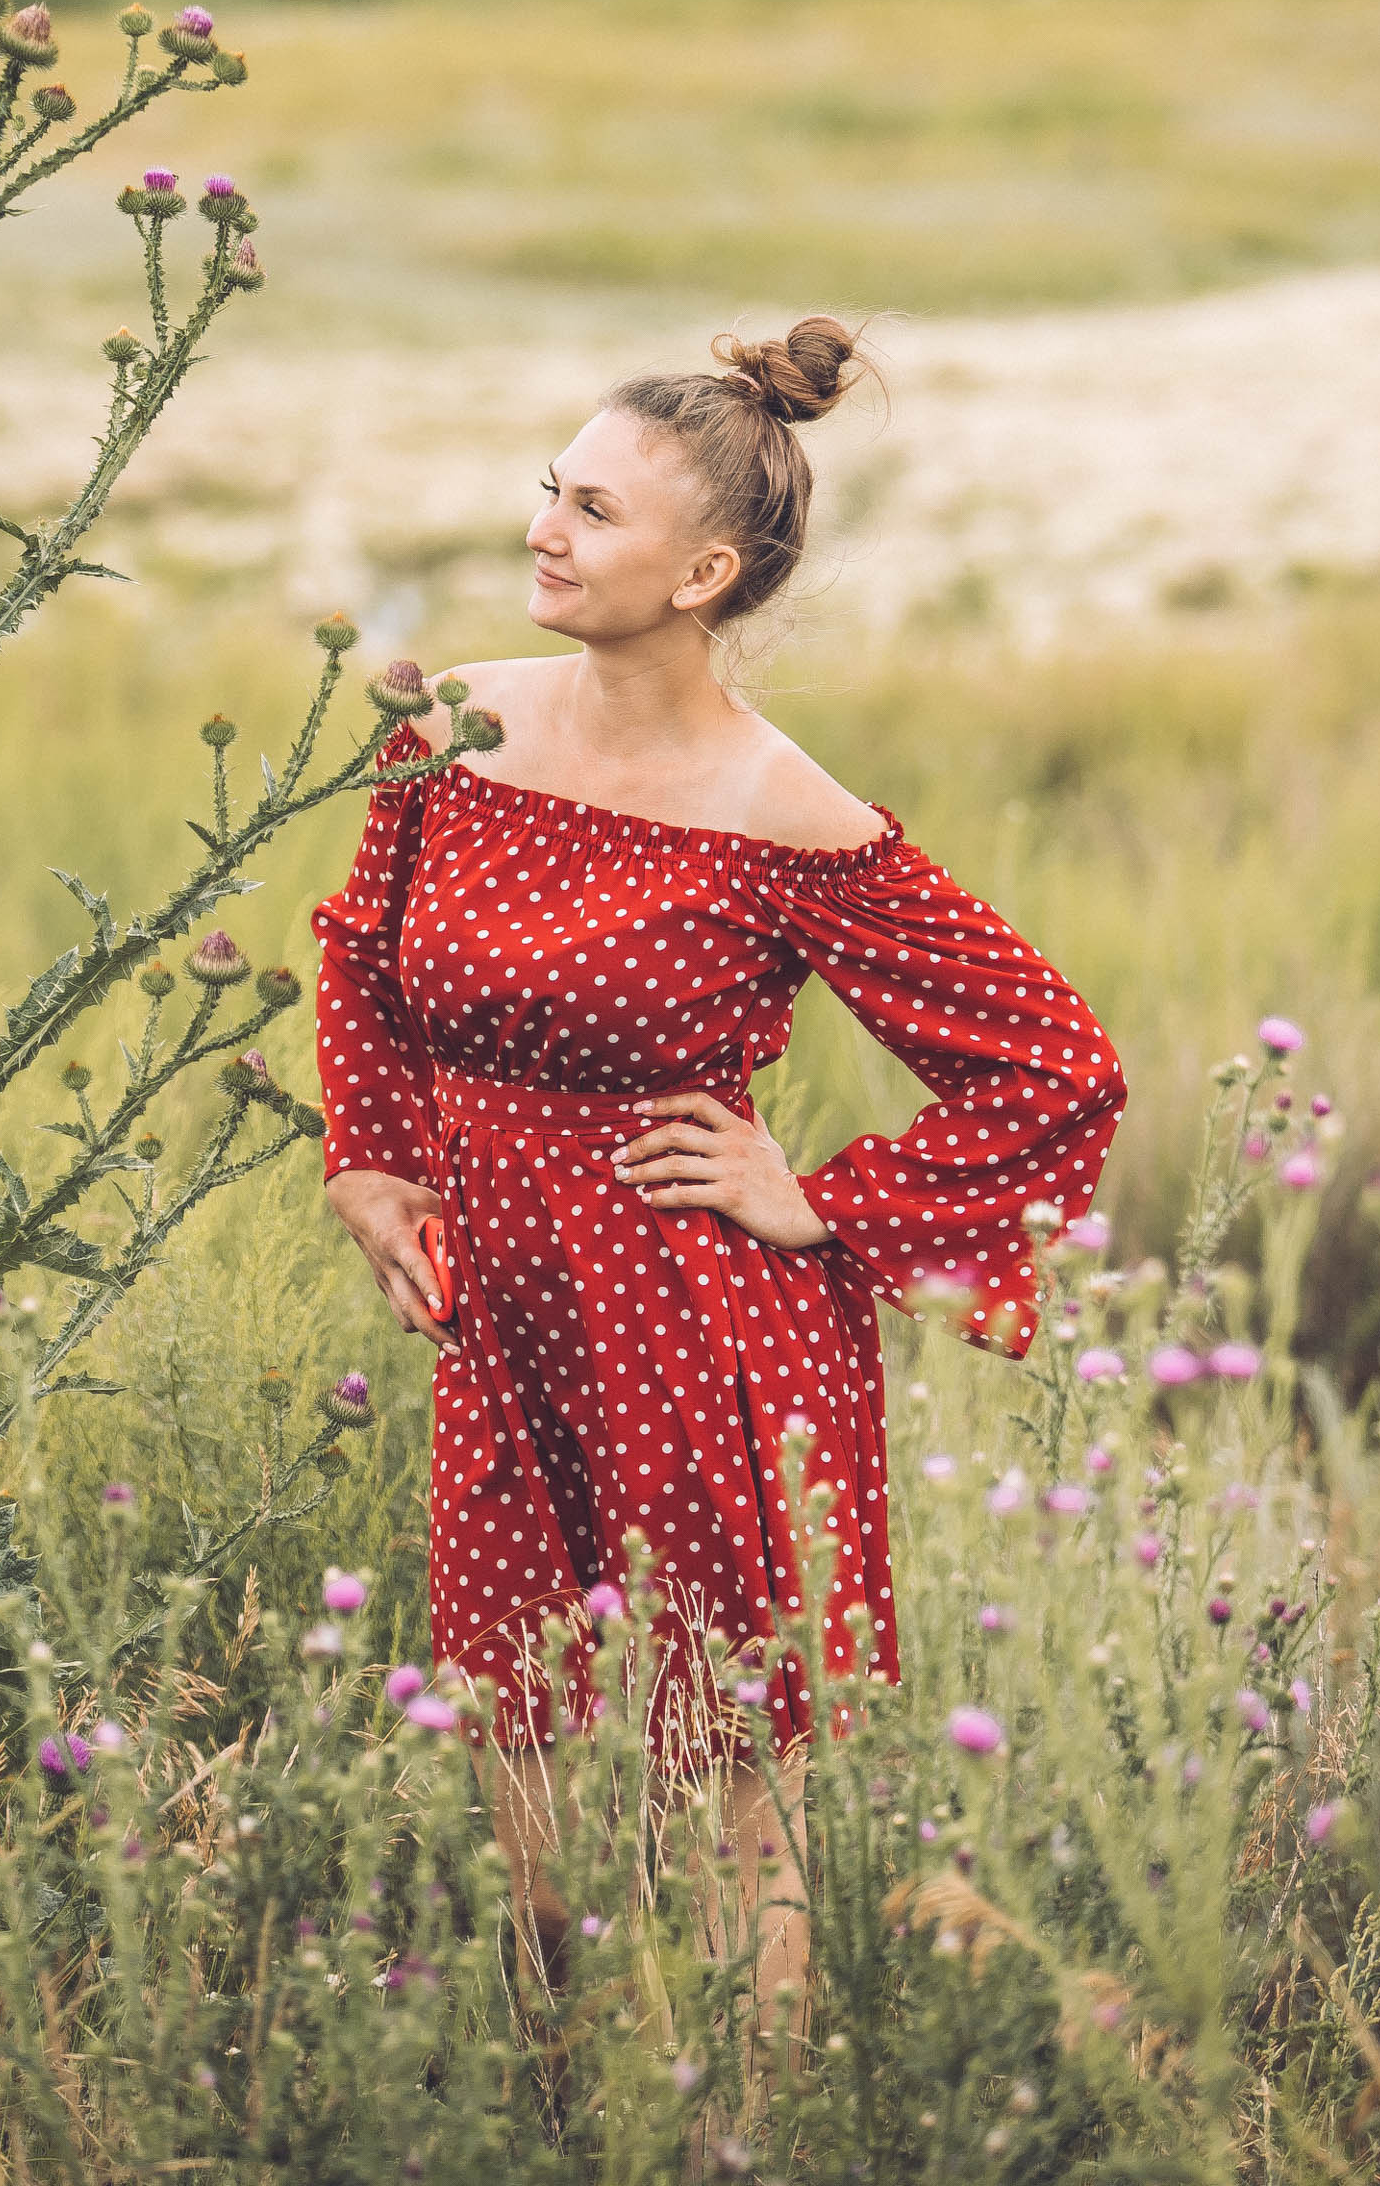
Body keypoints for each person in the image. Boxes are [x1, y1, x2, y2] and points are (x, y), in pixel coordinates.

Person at [311, 314, 1127, 2050]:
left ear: (702, 571)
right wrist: (373, 1162)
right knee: (513, 1743)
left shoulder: (782, 806)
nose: (544, 527)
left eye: (592, 512)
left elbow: (1056, 1061)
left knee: (719, 1781)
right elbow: (360, 953)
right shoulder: (444, 721)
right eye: (550, 489)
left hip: (697, 1323)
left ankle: (761, 2133)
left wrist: (824, 1200)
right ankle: (548, 2110)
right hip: (503, 1320)